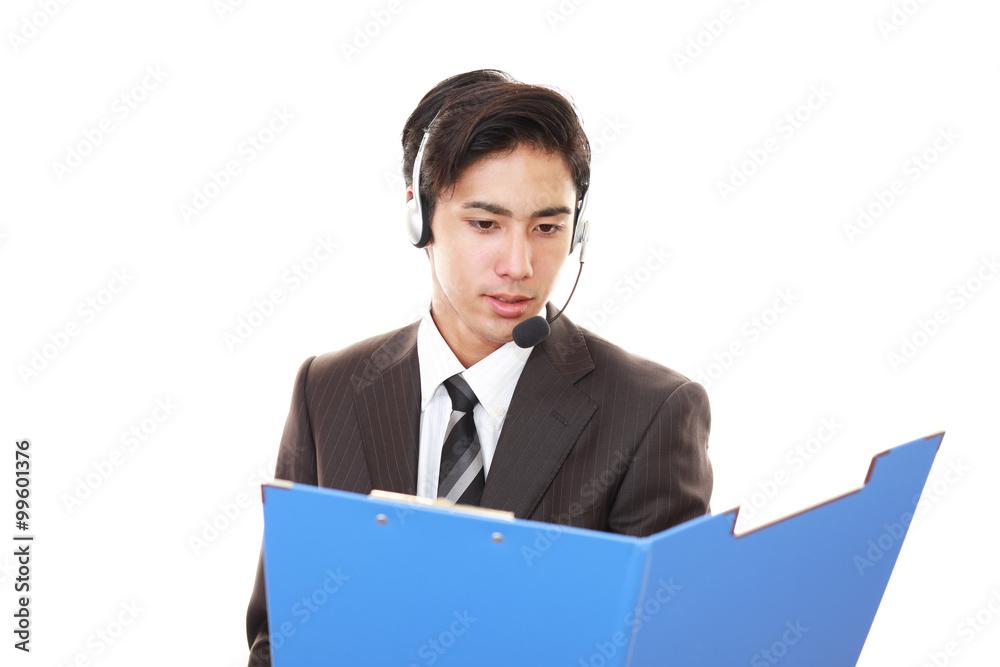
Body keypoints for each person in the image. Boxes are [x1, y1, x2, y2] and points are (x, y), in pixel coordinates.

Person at [245, 69, 713, 665]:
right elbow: (281, 637)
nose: (519, 265)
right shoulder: (327, 389)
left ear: (578, 231)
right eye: (486, 224)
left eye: (547, 227)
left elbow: (662, 649)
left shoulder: (652, 412)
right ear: (420, 220)